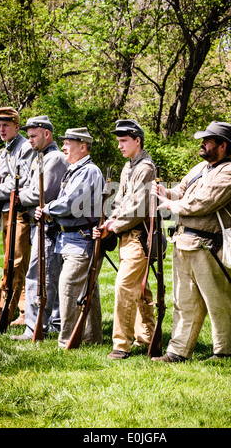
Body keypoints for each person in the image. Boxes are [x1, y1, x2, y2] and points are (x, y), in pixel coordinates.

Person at [151, 121, 231, 363]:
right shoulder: (201, 168)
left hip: (211, 248)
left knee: (219, 303)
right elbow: (182, 192)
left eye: (208, 141)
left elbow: (202, 203)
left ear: (223, 146)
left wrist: (173, 205)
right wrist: (166, 193)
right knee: (183, 302)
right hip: (185, 242)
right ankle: (178, 352)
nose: (202, 144)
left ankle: (224, 353)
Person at [35, 127, 104, 348]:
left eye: (68, 143)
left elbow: (71, 203)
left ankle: (66, 342)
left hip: (81, 240)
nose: (63, 146)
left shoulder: (88, 171)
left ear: (82, 146)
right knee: (87, 290)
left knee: (68, 288)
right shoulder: (75, 169)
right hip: (71, 240)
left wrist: (46, 208)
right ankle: (92, 339)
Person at [93, 119, 156, 359]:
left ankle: (121, 345)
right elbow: (119, 202)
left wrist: (113, 225)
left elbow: (139, 208)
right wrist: (109, 220)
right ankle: (148, 337)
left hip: (138, 236)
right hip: (126, 236)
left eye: (123, 141)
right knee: (140, 288)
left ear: (137, 140)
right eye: (118, 141)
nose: (119, 146)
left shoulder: (145, 167)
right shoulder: (129, 167)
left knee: (124, 286)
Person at [11, 115, 68, 341]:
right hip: (42, 226)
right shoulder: (42, 157)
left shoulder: (53, 158)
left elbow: (41, 194)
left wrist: (17, 196)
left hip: (47, 227)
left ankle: (33, 327)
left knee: (37, 277)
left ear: (47, 134)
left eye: (33, 136)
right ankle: (52, 323)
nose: (30, 140)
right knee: (49, 277)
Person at [0, 107, 34, 332]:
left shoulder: (25, 148)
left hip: (20, 210)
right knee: (14, 262)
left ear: (16, 126)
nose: (1, 129)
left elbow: (18, 183)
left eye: (6, 125)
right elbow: (3, 181)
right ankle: (23, 311)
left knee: (14, 263)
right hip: (7, 209)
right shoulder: (5, 151)